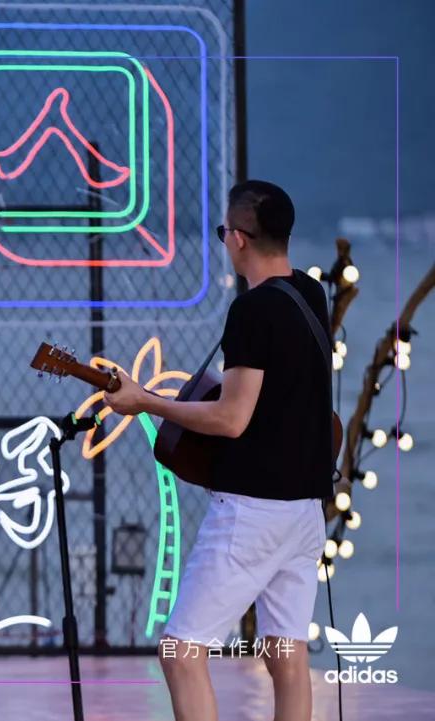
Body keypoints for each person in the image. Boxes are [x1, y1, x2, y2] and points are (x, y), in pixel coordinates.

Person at [102, 181, 331, 721]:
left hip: (251, 512)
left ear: (240, 239)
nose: (224, 239)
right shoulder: (310, 293)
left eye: (224, 230)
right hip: (305, 512)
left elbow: (232, 418)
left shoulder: (251, 312)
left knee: (180, 652)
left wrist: (144, 400)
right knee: (286, 654)